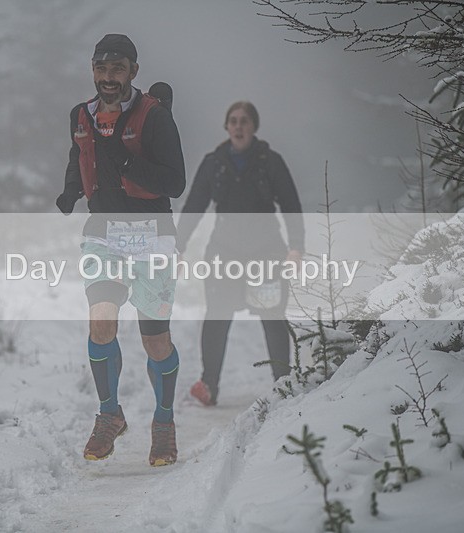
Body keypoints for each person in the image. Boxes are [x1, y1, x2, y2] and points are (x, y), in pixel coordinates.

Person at [55, 34, 185, 466]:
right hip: (104, 231)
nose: (108, 77)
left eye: (117, 69)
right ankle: (109, 414)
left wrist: (126, 161)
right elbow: (81, 155)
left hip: (153, 232)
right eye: (101, 68)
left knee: (157, 343)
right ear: (93, 70)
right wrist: (72, 190)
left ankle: (163, 421)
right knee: (101, 323)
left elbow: (175, 183)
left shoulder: (155, 117)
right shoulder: (81, 114)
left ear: (133, 71)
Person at [176, 101, 304, 406]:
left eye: (244, 121)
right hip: (224, 252)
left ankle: (282, 383)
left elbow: (291, 205)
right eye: (232, 121)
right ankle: (209, 386)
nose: (238, 126)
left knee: (272, 316)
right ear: (226, 127)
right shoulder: (214, 163)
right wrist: (177, 246)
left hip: (266, 253)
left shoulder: (270, 161)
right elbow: (194, 205)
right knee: (217, 317)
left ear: (254, 127)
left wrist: (296, 247)